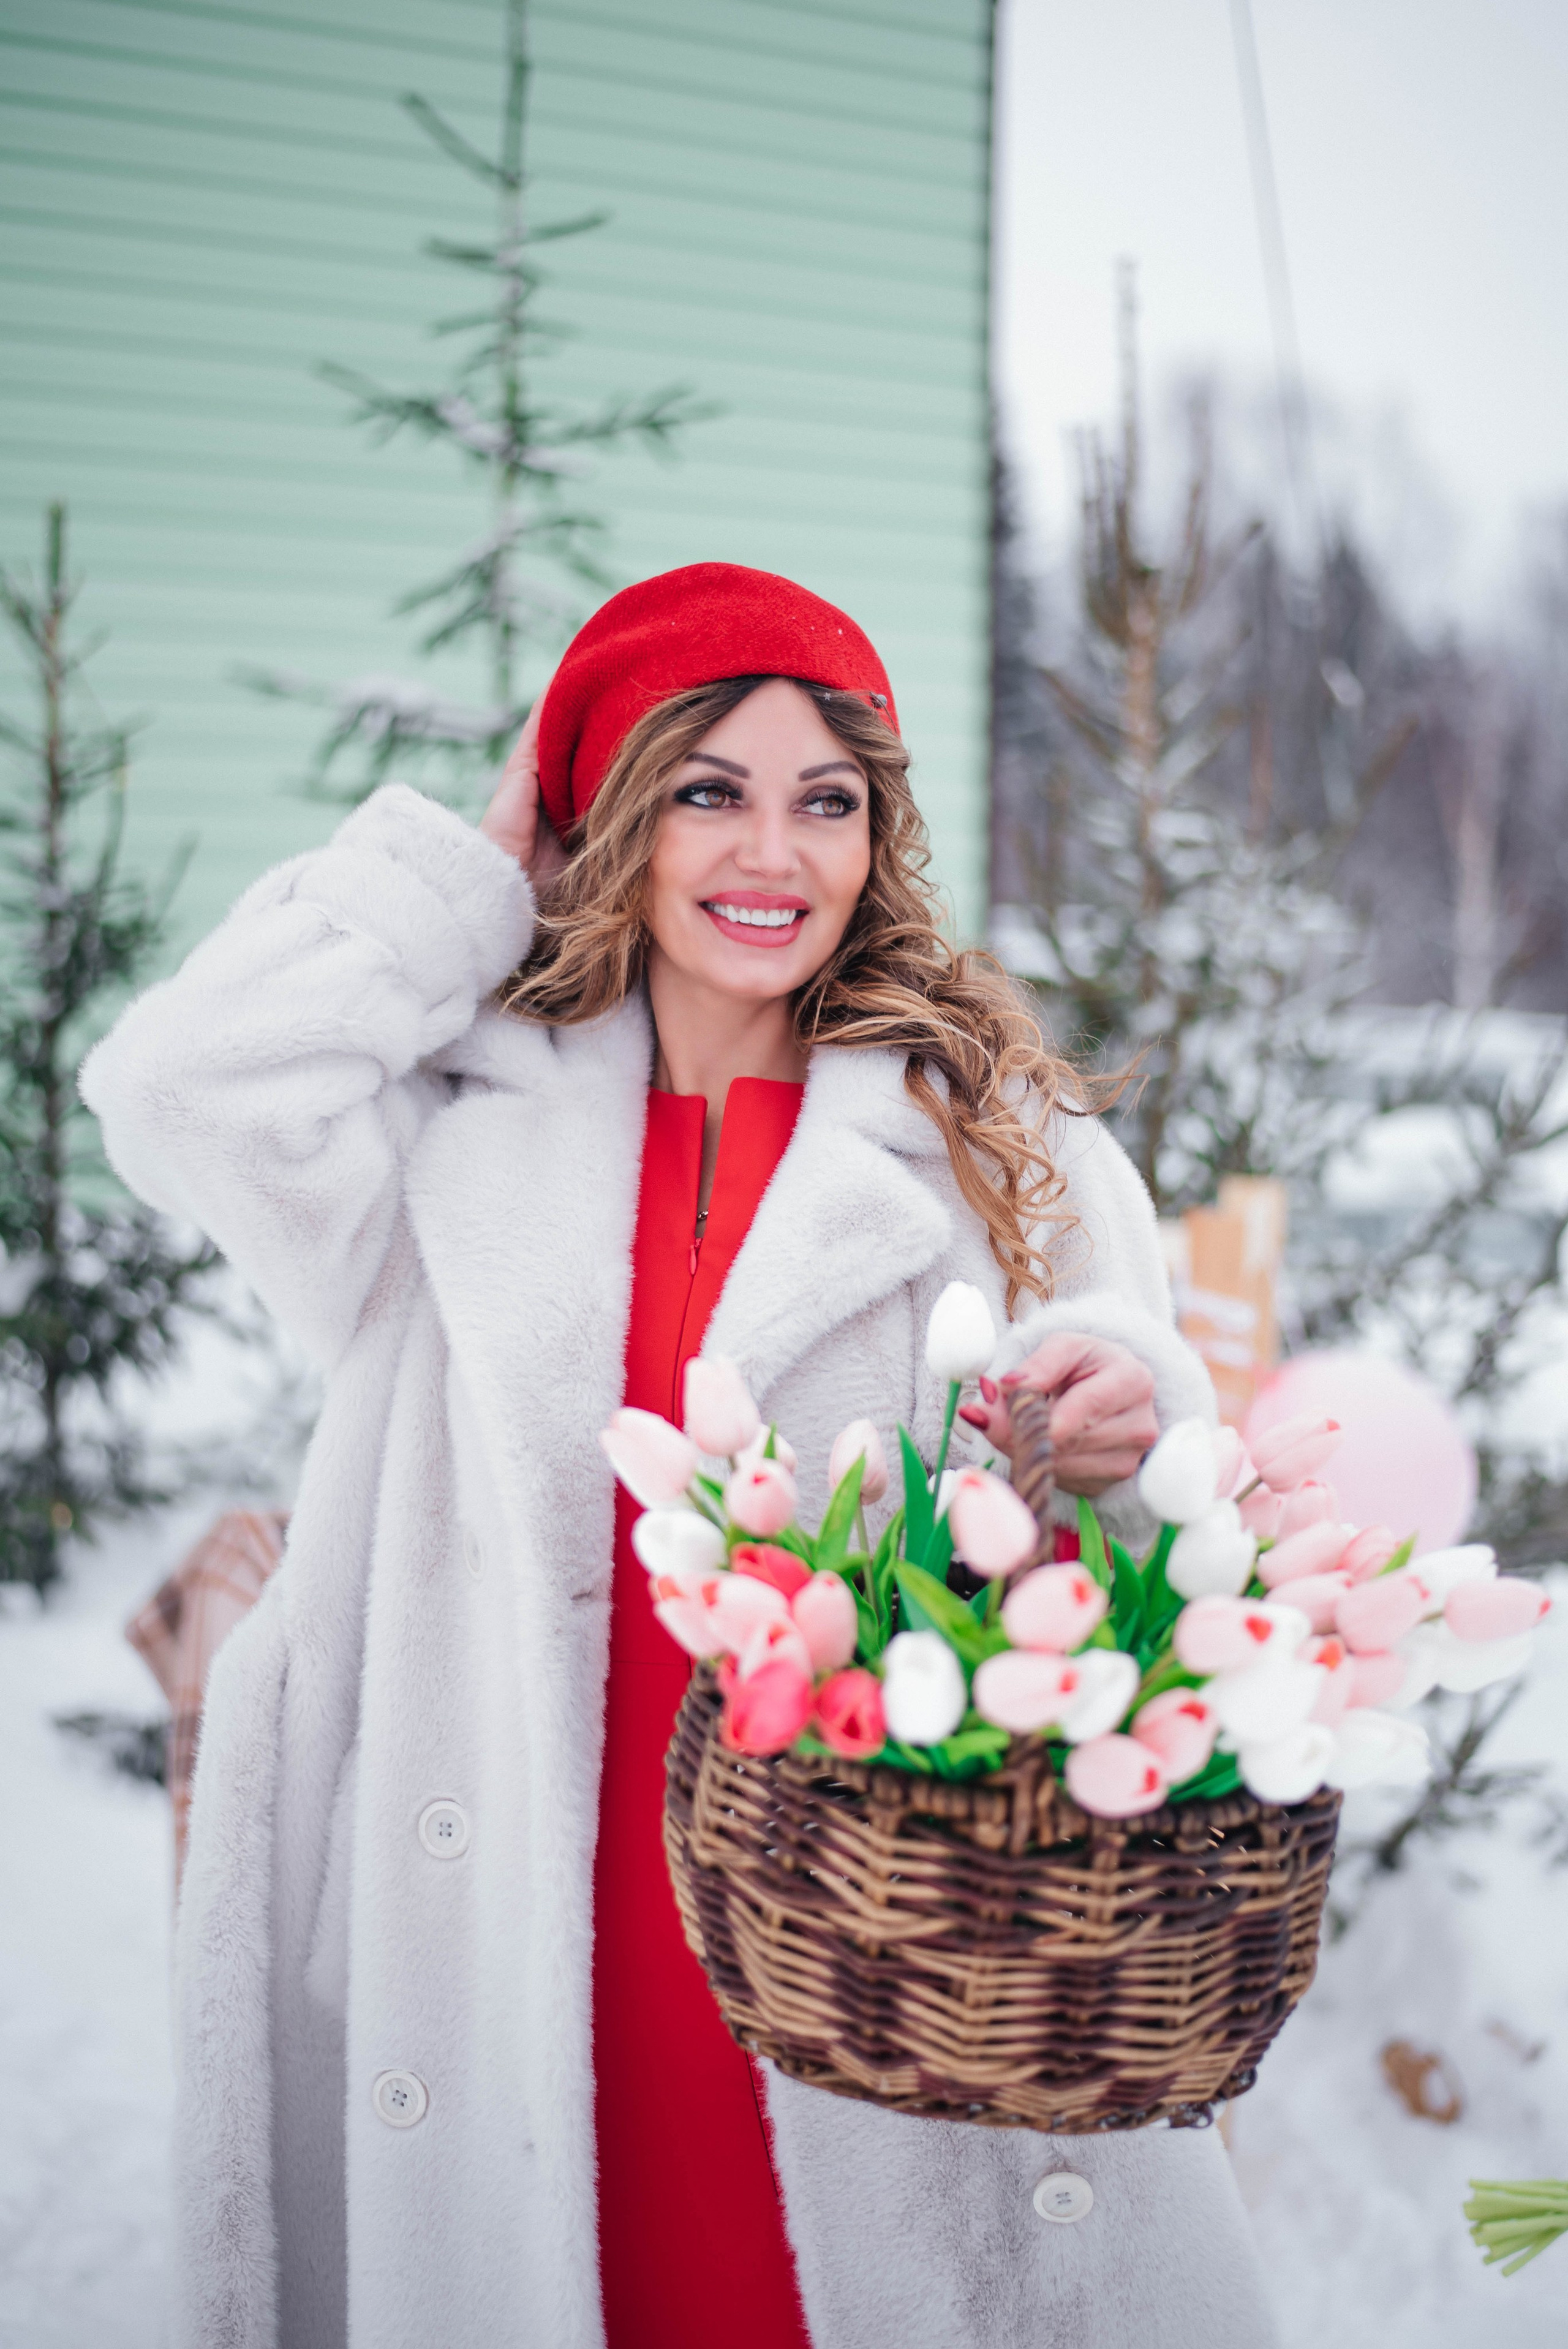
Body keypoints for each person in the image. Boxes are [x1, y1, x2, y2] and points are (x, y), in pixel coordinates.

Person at [82, 564, 1278, 2349]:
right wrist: (469, 874)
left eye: (827, 800)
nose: (771, 853)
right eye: (707, 788)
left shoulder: (989, 1143)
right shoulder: (444, 1152)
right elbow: (183, 1086)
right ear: (614, 813)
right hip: (522, 1944)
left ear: (882, 832)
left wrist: (1111, 1413)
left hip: (861, 1959)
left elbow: (1145, 1466)